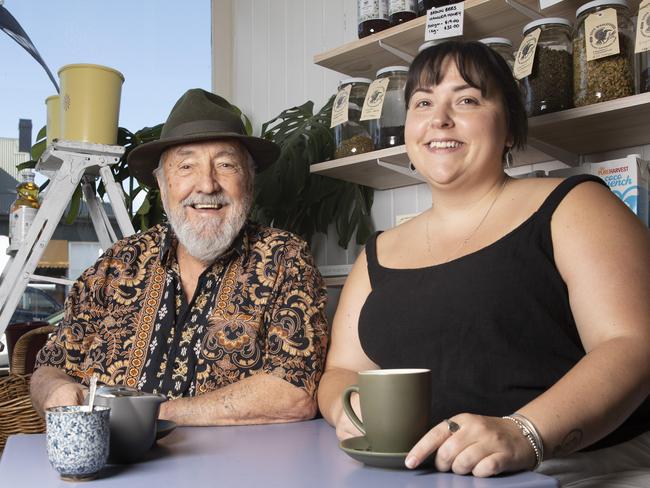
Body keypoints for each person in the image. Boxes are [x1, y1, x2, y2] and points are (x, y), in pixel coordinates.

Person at [317, 41, 650, 486]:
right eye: (423, 103)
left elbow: (631, 343)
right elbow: (341, 372)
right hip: (427, 469)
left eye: (467, 99)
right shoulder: (376, 253)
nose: (439, 119)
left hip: (571, 464)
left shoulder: (575, 205)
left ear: (509, 128)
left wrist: (524, 433)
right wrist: (351, 410)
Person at [31, 88, 329, 426]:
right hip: (113, 470)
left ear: (249, 181)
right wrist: (55, 390)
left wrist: (155, 415)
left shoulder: (284, 258)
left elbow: (294, 392)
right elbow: (50, 367)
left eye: (226, 165)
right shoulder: (115, 264)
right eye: (186, 166)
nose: (207, 184)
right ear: (162, 184)